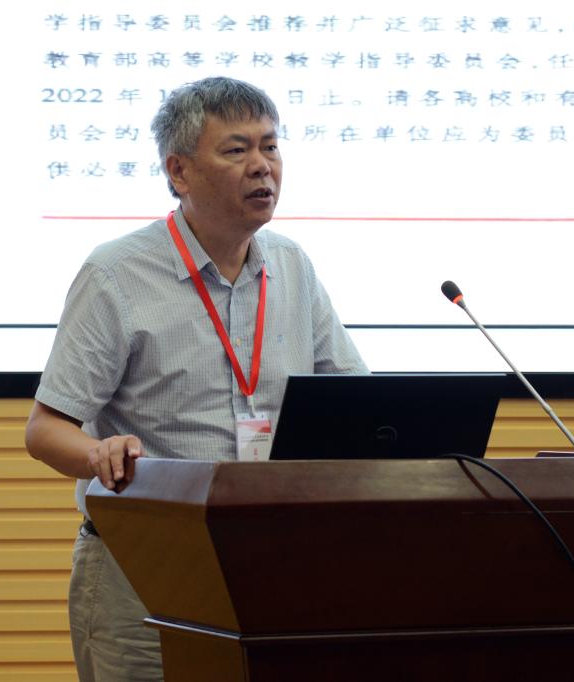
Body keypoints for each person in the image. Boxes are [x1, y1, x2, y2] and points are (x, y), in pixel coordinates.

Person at [25, 76, 368, 681]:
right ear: (179, 171)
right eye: (237, 150)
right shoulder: (117, 274)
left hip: (272, 562)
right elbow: (45, 430)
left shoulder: (291, 266)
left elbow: (357, 401)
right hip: (144, 566)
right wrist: (98, 453)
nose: (262, 166)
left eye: (270, 146)